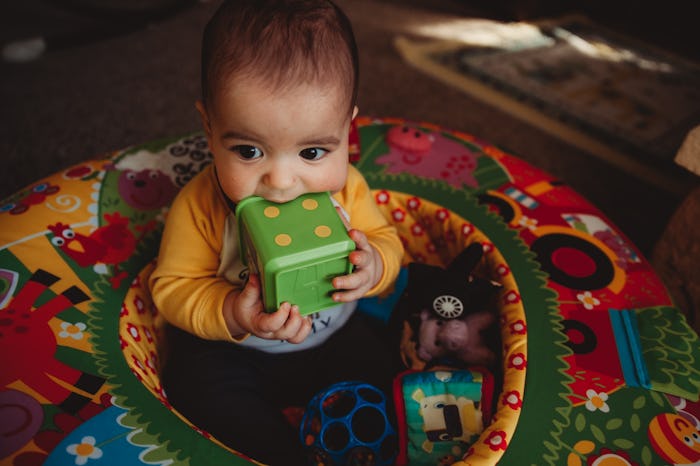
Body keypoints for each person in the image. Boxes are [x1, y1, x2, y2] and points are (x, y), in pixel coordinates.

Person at [148, 0, 404, 463]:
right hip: (236, 353)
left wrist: (374, 266)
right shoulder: (200, 205)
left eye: (312, 154)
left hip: (333, 338)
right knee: (194, 389)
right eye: (249, 151)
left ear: (347, 130)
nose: (282, 183)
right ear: (209, 128)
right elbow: (171, 289)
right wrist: (231, 312)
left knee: (385, 369)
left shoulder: (349, 192)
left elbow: (386, 239)